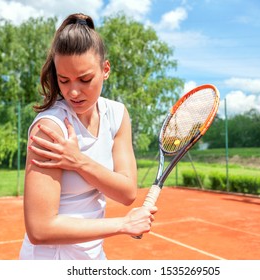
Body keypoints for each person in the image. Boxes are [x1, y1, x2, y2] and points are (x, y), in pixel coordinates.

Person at [19, 13, 157, 260]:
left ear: (105, 69)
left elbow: (127, 192)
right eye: (64, 80)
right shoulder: (50, 128)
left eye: (85, 79)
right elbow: (40, 229)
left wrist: (79, 162)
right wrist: (122, 225)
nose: (73, 91)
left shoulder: (117, 114)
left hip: (94, 257)